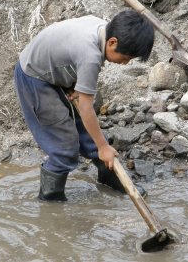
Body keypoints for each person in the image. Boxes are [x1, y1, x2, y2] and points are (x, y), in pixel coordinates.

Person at [13, 10, 155, 201]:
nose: (125, 63)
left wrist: (72, 86)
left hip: (54, 70)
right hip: (34, 76)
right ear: (112, 42)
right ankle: (50, 201)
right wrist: (104, 146)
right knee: (63, 146)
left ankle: (109, 178)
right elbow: (86, 107)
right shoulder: (90, 55)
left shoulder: (101, 27)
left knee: (87, 132)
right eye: (125, 58)